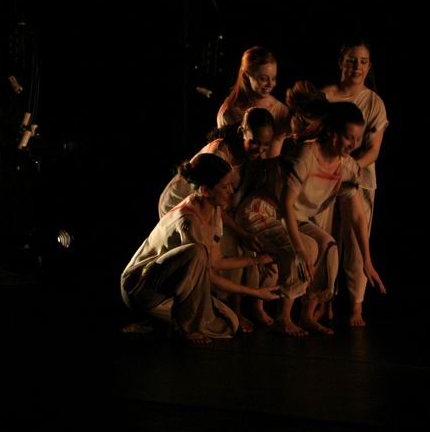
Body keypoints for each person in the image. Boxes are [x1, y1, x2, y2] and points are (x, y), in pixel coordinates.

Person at [237, 101, 385, 337]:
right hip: (263, 211)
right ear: (332, 133)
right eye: (348, 138)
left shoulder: (346, 167)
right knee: (306, 247)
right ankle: (283, 317)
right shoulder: (307, 154)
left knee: (328, 248)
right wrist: (298, 248)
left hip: (293, 216)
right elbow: (286, 204)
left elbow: (357, 215)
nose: (354, 145)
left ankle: (306, 314)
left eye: (357, 139)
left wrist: (367, 260)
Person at [121, 153, 281, 344]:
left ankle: (157, 323)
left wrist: (258, 260)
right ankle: (183, 327)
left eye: (230, 185)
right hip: (142, 288)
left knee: (230, 323)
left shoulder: (214, 209)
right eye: (224, 187)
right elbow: (207, 275)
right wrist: (254, 292)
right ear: (205, 190)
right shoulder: (188, 220)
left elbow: (215, 263)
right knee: (196, 252)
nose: (231, 191)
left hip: (168, 290)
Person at [158, 107, 275, 330]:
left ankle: (234, 309)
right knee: (203, 258)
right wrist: (241, 232)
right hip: (183, 203)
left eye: (265, 145)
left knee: (235, 248)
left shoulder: (248, 157)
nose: (260, 149)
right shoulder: (218, 154)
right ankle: (200, 309)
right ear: (242, 132)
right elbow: (211, 199)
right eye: (255, 142)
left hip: (210, 205)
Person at [321, 39, 389, 326]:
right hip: (323, 176)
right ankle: (323, 299)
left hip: (356, 179)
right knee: (325, 238)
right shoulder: (325, 96)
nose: (357, 66)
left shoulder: (374, 103)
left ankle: (356, 305)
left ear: (369, 66)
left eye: (362, 61)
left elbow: (373, 150)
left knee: (356, 241)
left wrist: (349, 168)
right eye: (351, 60)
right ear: (341, 62)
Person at [216, 46, 290, 157]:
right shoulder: (229, 112)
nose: (271, 84)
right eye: (263, 78)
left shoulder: (281, 111)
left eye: (273, 78)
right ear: (246, 77)